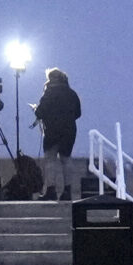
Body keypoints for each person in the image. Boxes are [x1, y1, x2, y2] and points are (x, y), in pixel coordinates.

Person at [33, 68, 82, 201]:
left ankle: (51, 190)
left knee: (50, 160)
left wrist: (37, 109)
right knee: (66, 159)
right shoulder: (72, 93)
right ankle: (67, 191)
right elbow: (78, 113)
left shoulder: (49, 93)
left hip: (52, 131)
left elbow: (40, 113)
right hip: (69, 131)